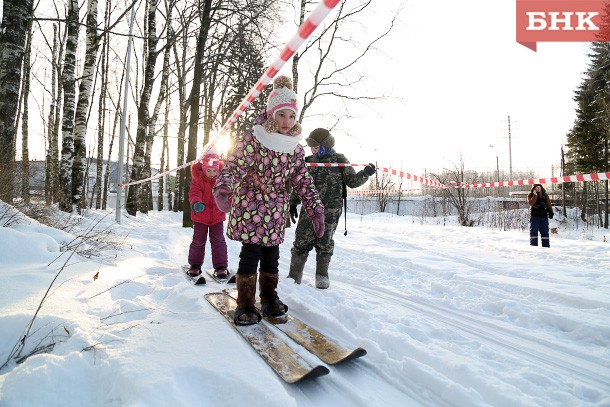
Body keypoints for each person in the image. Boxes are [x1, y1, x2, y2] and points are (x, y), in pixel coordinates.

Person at [213, 75, 325, 326]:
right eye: (282, 115)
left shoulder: (294, 148)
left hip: (276, 211)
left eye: (292, 116)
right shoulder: (256, 138)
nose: (287, 121)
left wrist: (315, 209)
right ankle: (244, 302)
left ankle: (269, 296)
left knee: (272, 256)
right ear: (272, 113)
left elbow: (303, 180)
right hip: (251, 206)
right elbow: (234, 165)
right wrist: (223, 187)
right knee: (251, 253)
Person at [287, 128, 376, 289]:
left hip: (331, 211)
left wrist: (365, 173)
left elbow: (353, 182)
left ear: (325, 145)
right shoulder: (308, 162)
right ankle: (294, 276)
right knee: (301, 241)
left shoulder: (339, 161)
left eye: (315, 145)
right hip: (309, 211)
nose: (312, 149)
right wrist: (293, 202)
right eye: (311, 146)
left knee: (325, 242)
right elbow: (300, 184)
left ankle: (322, 275)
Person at [187, 148, 229, 278]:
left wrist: (227, 201)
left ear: (218, 170)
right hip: (201, 216)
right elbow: (194, 193)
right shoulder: (198, 180)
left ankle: (221, 267)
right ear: (204, 169)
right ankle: (195, 265)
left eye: (214, 171)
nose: (211, 173)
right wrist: (196, 203)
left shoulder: (222, 181)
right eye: (208, 171)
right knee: (198, 241)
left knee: (218, 241)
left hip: (217, 217)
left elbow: (227, 194)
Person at [527, 183, 554, 248]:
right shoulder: (530, 195)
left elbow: (549, 204)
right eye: (536, 188)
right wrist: (535, 195)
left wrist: (551, 212)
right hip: (534, 217)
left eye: (539, 187)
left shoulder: (545, 195)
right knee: (533, 232)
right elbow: (531, 203)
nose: (537, 189)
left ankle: (546, 247)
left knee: (545, 232)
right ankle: (533, 247)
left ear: (541, 188)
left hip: (544, 217)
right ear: (533, 189)